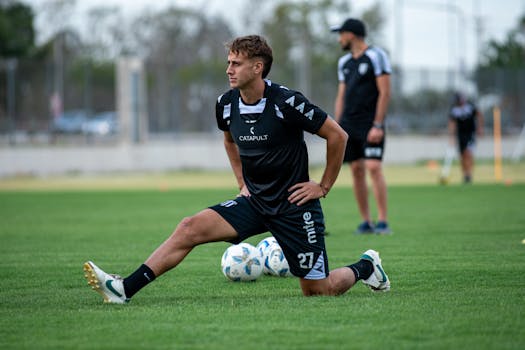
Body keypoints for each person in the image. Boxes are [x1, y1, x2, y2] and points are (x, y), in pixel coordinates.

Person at [83, 35, 390, 304]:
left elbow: (338, 136)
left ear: (258, 67)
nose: (229, 70)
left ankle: (366, 266)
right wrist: (242, 180)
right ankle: (124, 289)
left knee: (317, 291)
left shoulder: (287, 102)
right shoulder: (226, 104)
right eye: (228, 62)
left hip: (295, 207)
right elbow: (229, 140)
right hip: (254, 201)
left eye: (236, 63)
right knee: (189, 227)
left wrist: (322, 186)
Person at [331, 18, 392, 235]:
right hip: (349, 125)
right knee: (356, 170)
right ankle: (366, 221)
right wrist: (337, 127)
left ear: (352, 34)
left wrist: (378, 124)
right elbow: (341, 95)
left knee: (373, 168)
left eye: (341, 34)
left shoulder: (377, 56)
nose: (339, 39)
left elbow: (385, 92)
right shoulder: (344, 63)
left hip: (370, 124)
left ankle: (383, 221)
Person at [448, 91, 484, 183]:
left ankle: (469, 174)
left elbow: (479, 115)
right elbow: (452, 123)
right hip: (460, 135)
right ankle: (465, 175)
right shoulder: (454, 109)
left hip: (470, 134)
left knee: (468, 153)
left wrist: (480, 128)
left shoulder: (470, 107)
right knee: (462, 156)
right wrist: (451, 136)